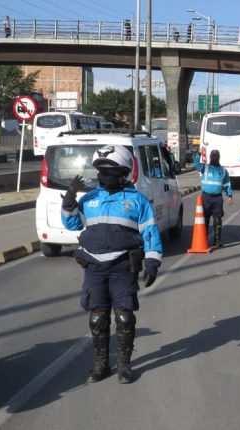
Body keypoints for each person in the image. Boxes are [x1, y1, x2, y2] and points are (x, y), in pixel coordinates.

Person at [62, 145, 162, 384]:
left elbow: (149, 231)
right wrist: (69, 201)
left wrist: (152, 261)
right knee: (98, 317)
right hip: (94, 267)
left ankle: (124, 367)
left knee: (125, 317)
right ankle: (101, 364)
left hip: (122, 267)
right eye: (101, 171)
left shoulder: (137, 200)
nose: (104, 176)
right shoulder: (90, 199)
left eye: (110, 171)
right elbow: (72, 225)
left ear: (123, 173)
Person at [194, 150, 233, 247]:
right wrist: (199, 154)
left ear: (219, 157)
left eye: (216, 156)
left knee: (218, 219)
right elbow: (196, 165)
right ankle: (204, 240)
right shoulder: (205, 167)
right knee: (205, 219)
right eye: (213, 156)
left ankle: (217, 241)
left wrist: (230, 195)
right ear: (211, 157)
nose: (215, 158)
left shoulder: (223, 170)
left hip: (217, 198)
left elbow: (227, 183)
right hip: (206, 197)